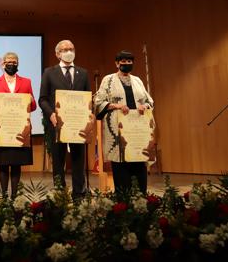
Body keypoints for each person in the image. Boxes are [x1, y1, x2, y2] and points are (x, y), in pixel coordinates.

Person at [95, 50, 154, 195]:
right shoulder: (108, 80)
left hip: (138, 129)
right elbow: (98, 101)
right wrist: (116, 106)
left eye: (129, 61)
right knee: (121, 165)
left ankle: (141, 198)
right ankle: (123, 200)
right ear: (117, 63)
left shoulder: (138, 80)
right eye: (123, 61)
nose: (127, 64)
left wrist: (144, 106)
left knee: (139, 162)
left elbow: (149, 101)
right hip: (118, 130)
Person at [39, 40, 92, 200]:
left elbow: (88, 97)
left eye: (71, 48)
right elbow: (42, 99)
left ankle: (79, 194)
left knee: (78, 160)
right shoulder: (49, 72)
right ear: (57, 54)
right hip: (56, 125)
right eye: (65, 49)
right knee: (58, 160)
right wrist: (51, 114)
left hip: (78, 125)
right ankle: (60, 195)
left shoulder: (83, 73)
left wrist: (89, 114)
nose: (69, 51)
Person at [0, 52, 37, 198]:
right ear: (3, 63)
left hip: (19, 129)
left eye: (14, 62)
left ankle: (14, 195)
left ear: (18, 64)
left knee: (16, 163)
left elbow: (33, 107)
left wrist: (31, 100)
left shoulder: (26, 82)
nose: (11, 64)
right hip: (0, 130)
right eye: (9, 62)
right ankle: (4, 195)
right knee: (3, 163)